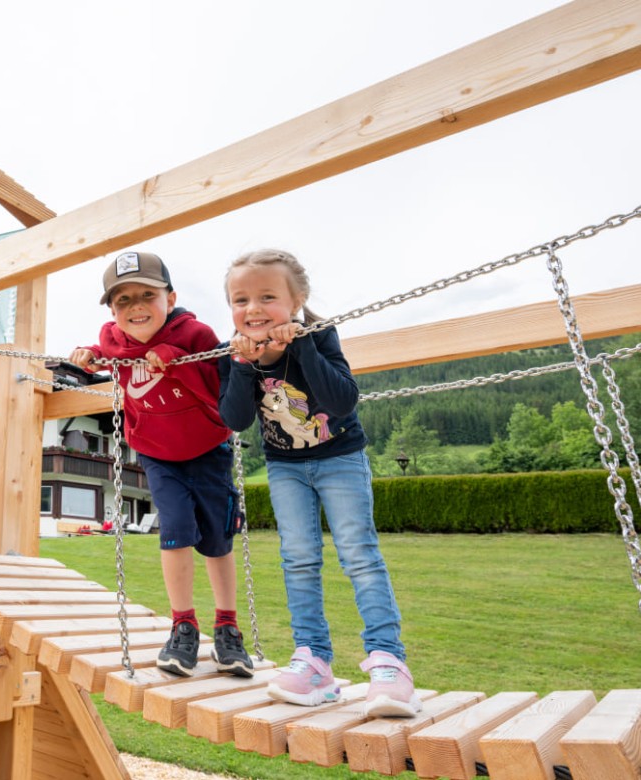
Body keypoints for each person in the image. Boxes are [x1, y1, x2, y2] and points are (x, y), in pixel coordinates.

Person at [218, 248, 420, 718]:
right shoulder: (236, 352)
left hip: (339, 458)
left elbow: (343, 400)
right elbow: (235, 417)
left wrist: (302, 345)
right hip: (285, 467)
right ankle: (314, 661)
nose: (252, 309)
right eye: (239, 299)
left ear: (298, 299)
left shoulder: (320, 334)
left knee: (358, 554)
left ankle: (389, 662)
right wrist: (245, 367)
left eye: (267, 297)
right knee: (299, 558)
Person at [69, 250, 253, 678]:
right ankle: (183, 625)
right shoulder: (114, 342)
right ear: (113, 310)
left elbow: (217, 387)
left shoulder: (197, 335)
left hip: (208, 449)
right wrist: (89, 355)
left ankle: (227, 629)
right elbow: (105, 353)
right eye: (122, 300)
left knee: (218, 538)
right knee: (174, 532)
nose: (135, 307)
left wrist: (172, 357)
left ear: (170, 299)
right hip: (158, 454)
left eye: (146, 295)